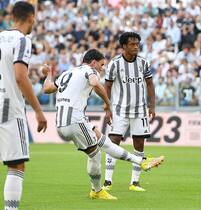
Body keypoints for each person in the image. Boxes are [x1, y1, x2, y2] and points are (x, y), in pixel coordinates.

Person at [42, 49, 164, 200]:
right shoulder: (89, 70)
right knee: (96, 153)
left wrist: (48, 74)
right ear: (93, 62)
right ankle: (97, 191)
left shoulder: (68, 72)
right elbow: (95, 83)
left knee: (103, 141)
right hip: (74, 120)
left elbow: (47, 89)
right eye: (101, 64)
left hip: (62, 122)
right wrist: (108, 103)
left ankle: (141, 162)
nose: (102, 68)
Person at [0, 2, 47, 210]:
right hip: (8, 106)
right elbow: (20, 76)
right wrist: (38, 111)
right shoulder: (23, 40)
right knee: (16, 164)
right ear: (32, 18)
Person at [103, 32, 156, 192]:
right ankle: (107, 181)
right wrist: (107, 109)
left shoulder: (143, 63)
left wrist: (152, 106)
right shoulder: (115, 64)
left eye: (137, 44)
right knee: (114, 142)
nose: (136, 47)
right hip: (120, 110)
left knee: (139, 144)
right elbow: (107, 86)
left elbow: (150, 84)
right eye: (132, 44)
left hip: (140, 110)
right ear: (124, 46)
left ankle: (134, 182)